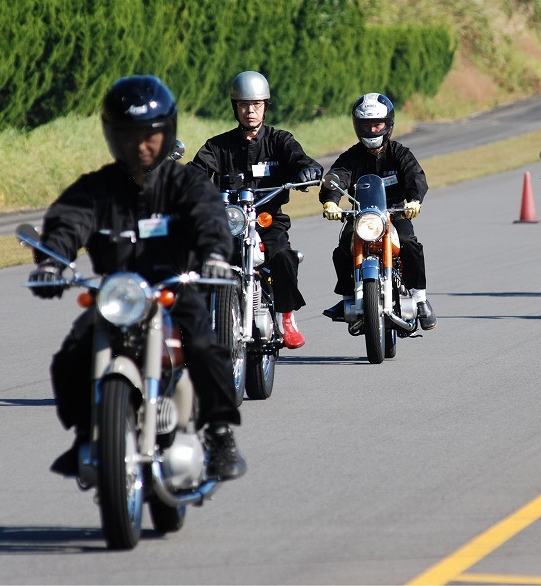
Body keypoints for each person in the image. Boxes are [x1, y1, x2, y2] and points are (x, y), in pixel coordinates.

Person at [27, 75, 246, 480]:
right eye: (129, 135)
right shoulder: (98, 188)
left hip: (173, 291)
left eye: (151, 134)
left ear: (167, 134)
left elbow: (209, 217)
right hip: (119, 295)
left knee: (202, 343)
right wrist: (51, 261)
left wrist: (215, 254)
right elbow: (69, 220)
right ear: (113, 137)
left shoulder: (185, 182)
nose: (141, 145)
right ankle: (87, 436)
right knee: (70, 359)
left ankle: (218, 434)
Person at [191, 71, 323, 349]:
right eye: (244, 105)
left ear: (265, 106)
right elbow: (196, 172)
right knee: (197, 260)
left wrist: (307, 171)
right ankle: (195, 323)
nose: (250, 111)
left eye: (256, 105)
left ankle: (286, 316)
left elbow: (302, 161)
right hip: (229, 221)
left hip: (267, 220)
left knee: (284, 257)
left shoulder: (279, 141)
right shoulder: (218, 146)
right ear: (235, 107)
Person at [319, 93, 437, 330]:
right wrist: (331, 201)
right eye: (366, 124)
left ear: (388, 124)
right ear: (357, 125)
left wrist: (414, 201)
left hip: (396, 215)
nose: (372, 129)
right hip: (362, 216)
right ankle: (347, 299)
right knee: (343, 247)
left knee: (409, 242)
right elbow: (336, 177)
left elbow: (416, 177)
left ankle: (420, 298)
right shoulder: (350, 157)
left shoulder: (400, 154)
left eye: (377, 124)